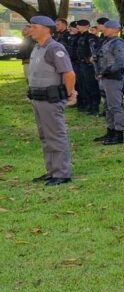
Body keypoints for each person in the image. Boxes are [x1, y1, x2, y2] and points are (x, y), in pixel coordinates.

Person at [26, 15, 76, 186]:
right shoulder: (38, 48)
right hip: (38, 99)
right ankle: (52, 171)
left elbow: (69, 73)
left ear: (46, 29)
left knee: (55, 135)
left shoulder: (55, 48)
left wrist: (68, 94)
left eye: (34, 27)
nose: (30, 29)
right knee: (45, 136)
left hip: (51, 100)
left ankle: (62, 173)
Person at [93, 20, 124, 145]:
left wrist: (105, 72)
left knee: (115, 106)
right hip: (105, 78)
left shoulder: (118, 43)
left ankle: (119, 134)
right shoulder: (106, 41)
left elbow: (121, 62)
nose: (104, 29)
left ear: (115, 29)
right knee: (107, 107)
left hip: (113, 78)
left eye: (107, 28)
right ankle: (110, 131)